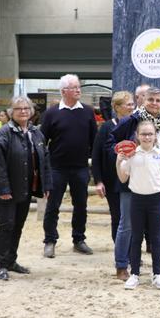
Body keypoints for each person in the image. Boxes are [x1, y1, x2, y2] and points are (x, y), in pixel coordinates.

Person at [109, 86, 160, 282]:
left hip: (158, 183)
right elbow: (111, 141)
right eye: (150, 99)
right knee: (126, 226)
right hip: (132, 183)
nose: (154, 103)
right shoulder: (130, 121)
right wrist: (122, 154)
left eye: (158, 100)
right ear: (143, 100)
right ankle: (121, 266)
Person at [0, 96, 52, 280]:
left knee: (18, 226)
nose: (23, 111)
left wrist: (46, 184)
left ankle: (11, 261)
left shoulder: (35, 133)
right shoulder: (3, 134)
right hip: (7, 190)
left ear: (31, 111)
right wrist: (4, 189)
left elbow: (45, 160)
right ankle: (1, 265)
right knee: (6, 225)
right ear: (10, 112)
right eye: (18, 108)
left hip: (24, 188)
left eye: (26, 108)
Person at [117, 120, 160, 290]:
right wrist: (118, 161)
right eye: (143, 134)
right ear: (137, 136)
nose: (147, 137)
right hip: (136, 200)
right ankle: (135, 274)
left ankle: (157, 274)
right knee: (136, 238)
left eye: (150, 134)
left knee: (156, 237)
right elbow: (123, 178)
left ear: (155, 136)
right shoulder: (132, 155)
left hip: (156, 200)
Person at [41, 74, 97, 258]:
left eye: (79, 86)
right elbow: (42, 140)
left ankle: (79, 239)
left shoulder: (88, 112)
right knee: (52, 206)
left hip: (80, 167)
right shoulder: (51, 113)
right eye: (74, 87)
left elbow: (94, 141)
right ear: (64, 91)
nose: (78, 90)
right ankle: (50, 241)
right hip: (56, 168)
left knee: (81, 205)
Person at [91, 91, 134, 242]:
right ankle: (120, 251)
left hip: (133, 181)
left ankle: (132, 251)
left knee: (133, 218)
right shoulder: (106, 127)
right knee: (117, 216)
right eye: (128, 104)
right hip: (112, 181)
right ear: (117, 107)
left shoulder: (137, 126)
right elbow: (96, 156)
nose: (131, 107)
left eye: (132, 104)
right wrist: (98, 181)